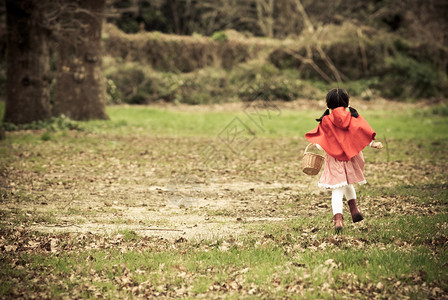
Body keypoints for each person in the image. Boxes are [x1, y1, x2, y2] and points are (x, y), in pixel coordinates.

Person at [305, 88, 383, 233]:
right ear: (348, 103)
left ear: (328, 105)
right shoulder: (352, 117)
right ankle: (355, 210)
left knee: (337, 189)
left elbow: (320, 142)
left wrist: (317, 145)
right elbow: (361, 133)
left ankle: (338, 220)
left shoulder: (326, 120)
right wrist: (373, 143)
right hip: (351, 158)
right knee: (346, 183)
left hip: (335, 160)